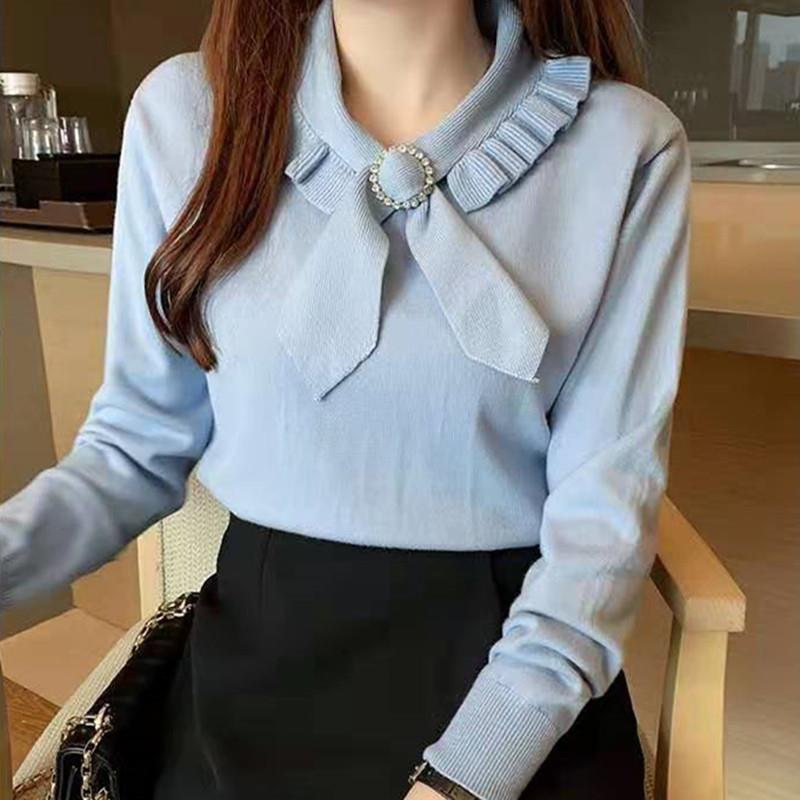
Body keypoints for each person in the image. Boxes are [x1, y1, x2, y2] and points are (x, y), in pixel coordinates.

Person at [0, 0, 691, 798]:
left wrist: (468, 775)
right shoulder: (187, 114)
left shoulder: (626, 145)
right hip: (257, 671)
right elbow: (131, 451)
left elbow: (602, 522)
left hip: (518, 681)